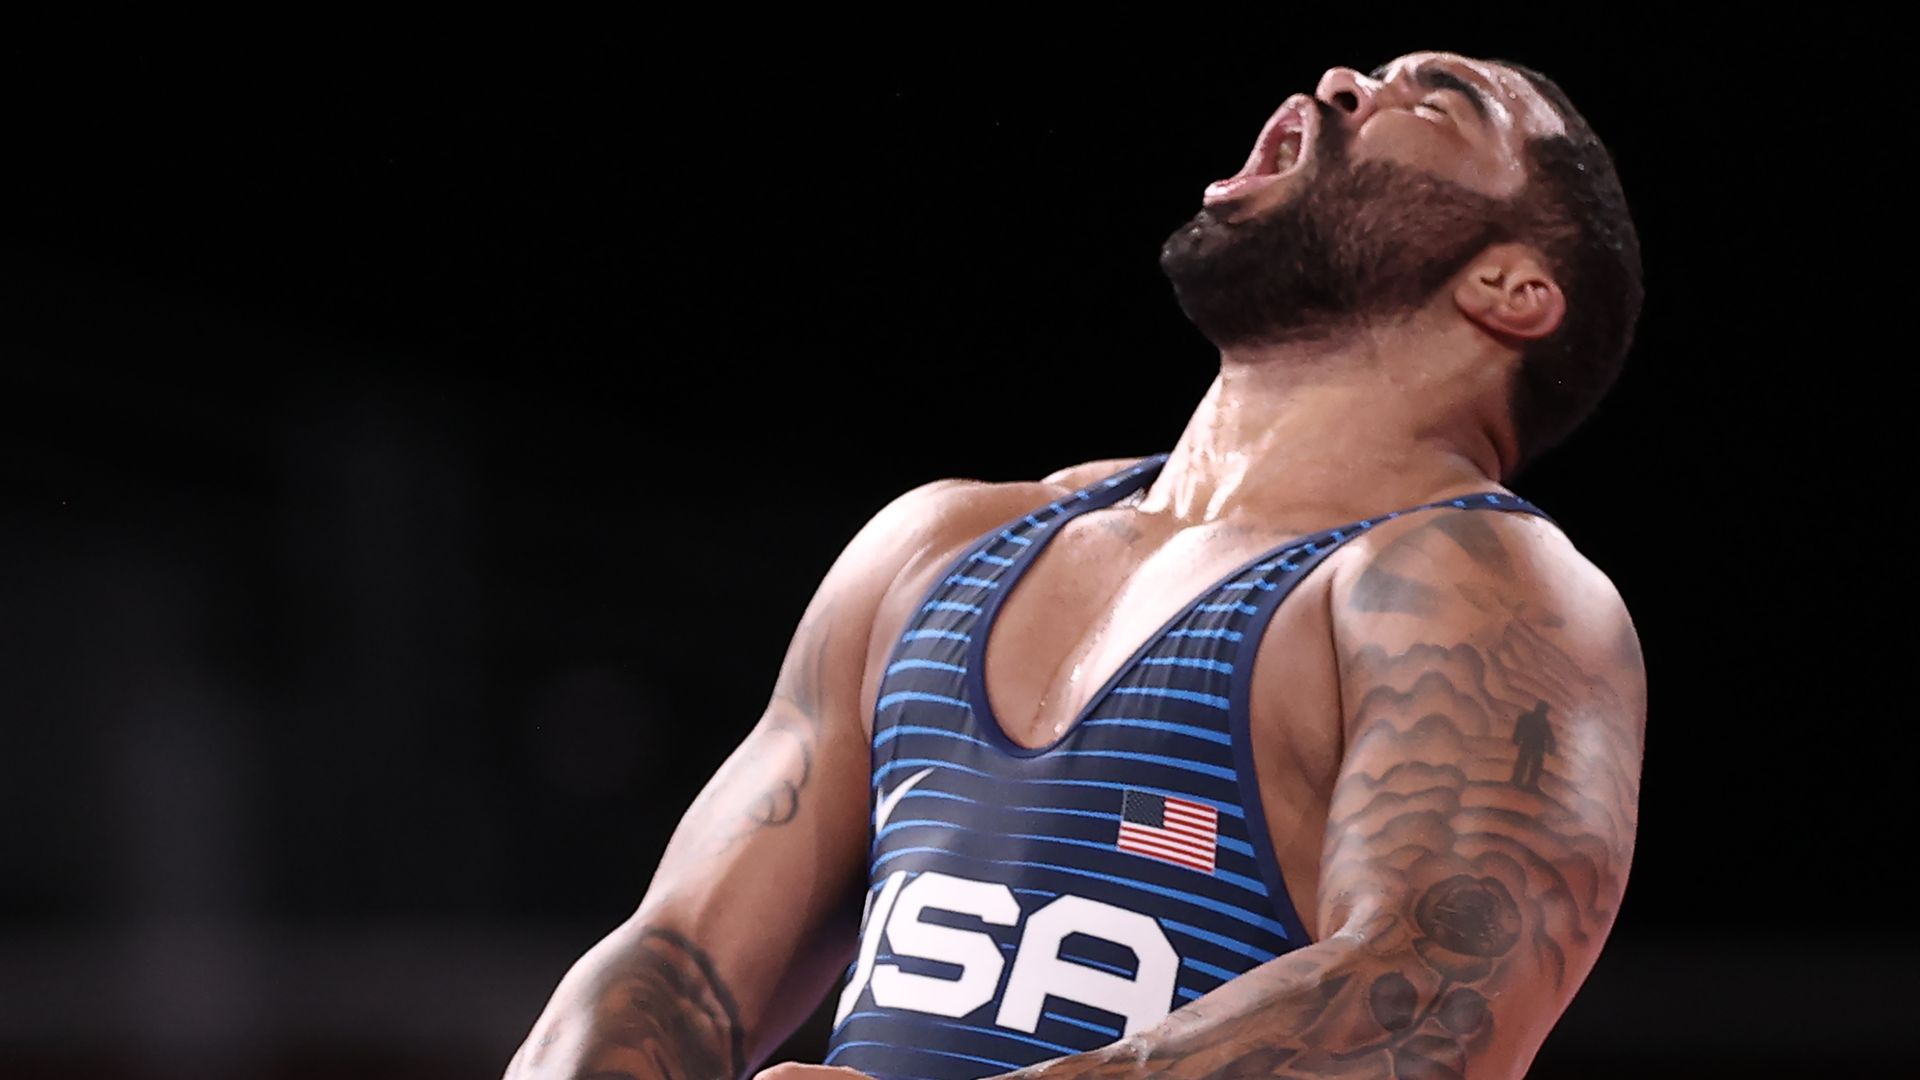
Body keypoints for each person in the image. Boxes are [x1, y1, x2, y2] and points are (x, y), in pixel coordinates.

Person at [503, 49, 1647, 1080]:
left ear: (1512, 288)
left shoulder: (1484, 588)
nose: (1346, 82)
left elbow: (1428, 1014)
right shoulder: (940, 548)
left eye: (1436, 101)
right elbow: (676, 962)